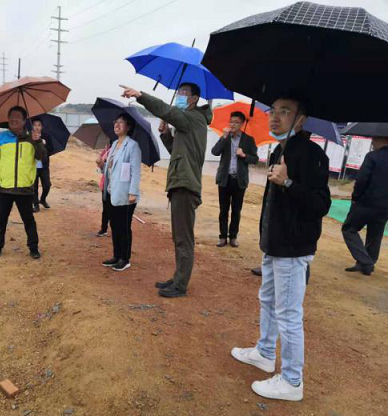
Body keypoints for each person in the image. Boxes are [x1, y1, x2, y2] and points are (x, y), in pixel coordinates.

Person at [231, 95, 331, 402]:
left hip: (293, 247)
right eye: (273, 111)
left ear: (301, 119)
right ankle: (264, 352)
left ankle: (291, 381)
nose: (275, 117)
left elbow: (321, 204)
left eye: (284, 112)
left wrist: (287, 183)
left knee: (288, 313)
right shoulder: (280, 149)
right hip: (274, 243)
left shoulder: (312, 154)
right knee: (268, 299)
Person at [121, 83, 212, 297]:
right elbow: (177, 152)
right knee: (179, 236)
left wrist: (141, 95)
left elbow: (166, 110)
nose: (179, 96)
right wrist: (166, 135)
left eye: (183, 93)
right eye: (178, 92)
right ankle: (178, 277)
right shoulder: (188, 122)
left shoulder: (194, 118)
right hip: (181, 183)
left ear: (194, 99)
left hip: (185, 186)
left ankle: (180, 285)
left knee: (183, 238)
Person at [0, 106, 47, 259]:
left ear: (24, 120)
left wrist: (37, 142)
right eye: (11, 116)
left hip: (24, 188)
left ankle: (33, 247)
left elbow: (41, 157)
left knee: (28, 220)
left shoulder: (31, 138)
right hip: (4, 187)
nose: (14, 119)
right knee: (0, 220)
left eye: (18, 117)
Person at [97, 113, 141, 272]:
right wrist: (101, 165)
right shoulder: (114, 144)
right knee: (114, 225)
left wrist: (133, 192)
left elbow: (136, 171)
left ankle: (125, 258)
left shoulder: (133, 146)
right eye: (116, 122)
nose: (117, 125)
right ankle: (116, 256)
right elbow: (109, 169)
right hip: (111, 192)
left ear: (128, 127)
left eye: (121, 122)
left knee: (124, 227)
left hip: (125, 194)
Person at [211, 111, 258, 247]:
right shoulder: (225, 137)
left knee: (236, 210)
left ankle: (233, 236)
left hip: (239, 180)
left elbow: (255, 159)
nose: (233, 124)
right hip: (224, 179)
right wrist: (224, 137)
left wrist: (244, 155)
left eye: (236, 122)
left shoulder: (248, 140)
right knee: (223, 210)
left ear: (242, 124)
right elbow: (214, 152)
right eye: (231, 121)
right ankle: (222, 236)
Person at [342, 135, 388, 275]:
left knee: (349, 229)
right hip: (385, 207)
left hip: (366, 203)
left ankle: (365, 261)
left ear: (384, 139)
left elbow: (362, 179)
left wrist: (355, 197)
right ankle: (367, 265)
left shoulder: (372, 156)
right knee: (375, 235)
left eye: (375, 139)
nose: (372, 141)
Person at [31, 118, 53, 212]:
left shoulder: (46, 136)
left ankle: (43, 199)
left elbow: (51, 150)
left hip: (44, 166)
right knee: (34, 187)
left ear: (42, 127)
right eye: (35, 125)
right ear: (32, 126)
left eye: (39, 125)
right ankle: (36, 205)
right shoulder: (29, 137)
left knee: (47, 185)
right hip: (33, 166)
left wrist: (44, 144)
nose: (37, 127)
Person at [96, 144, 112, 237]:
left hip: (115, 186)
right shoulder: (107, 149)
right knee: (105, 208)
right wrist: (100, 163)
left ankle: (114, 229)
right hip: (105, 184)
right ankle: (104, 228)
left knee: (113, 209)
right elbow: (101, 168)